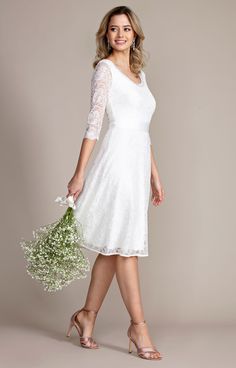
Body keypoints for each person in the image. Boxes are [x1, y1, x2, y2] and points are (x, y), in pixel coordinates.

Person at [65, 6, 164, 360]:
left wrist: (153, 174)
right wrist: (79, 174)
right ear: (105, 35)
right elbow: (94, 125)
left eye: (126, 29)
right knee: (126, 247)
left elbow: (143, 129)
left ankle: (86, 315)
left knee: (111, 247)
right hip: (116, 163)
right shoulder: (104, 71)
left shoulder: (140, 74)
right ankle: (139, 327)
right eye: (113, 29)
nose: (120, 34)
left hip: (137, 166)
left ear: (135, 34)